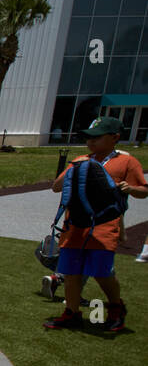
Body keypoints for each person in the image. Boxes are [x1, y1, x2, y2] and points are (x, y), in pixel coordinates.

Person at [43, 116, 146, 332]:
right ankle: (71, 313)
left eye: (97, 138)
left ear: (115, 137)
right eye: (89, 138)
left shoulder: (127, 162)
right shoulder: (81, 160)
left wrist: (130, 189)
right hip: (76, 225)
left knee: (101, 272)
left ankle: (116, 308)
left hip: (104, 226)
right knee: (71, 272)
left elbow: (143, 191)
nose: (91, 142)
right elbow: (56, 187)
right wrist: (73, 168)